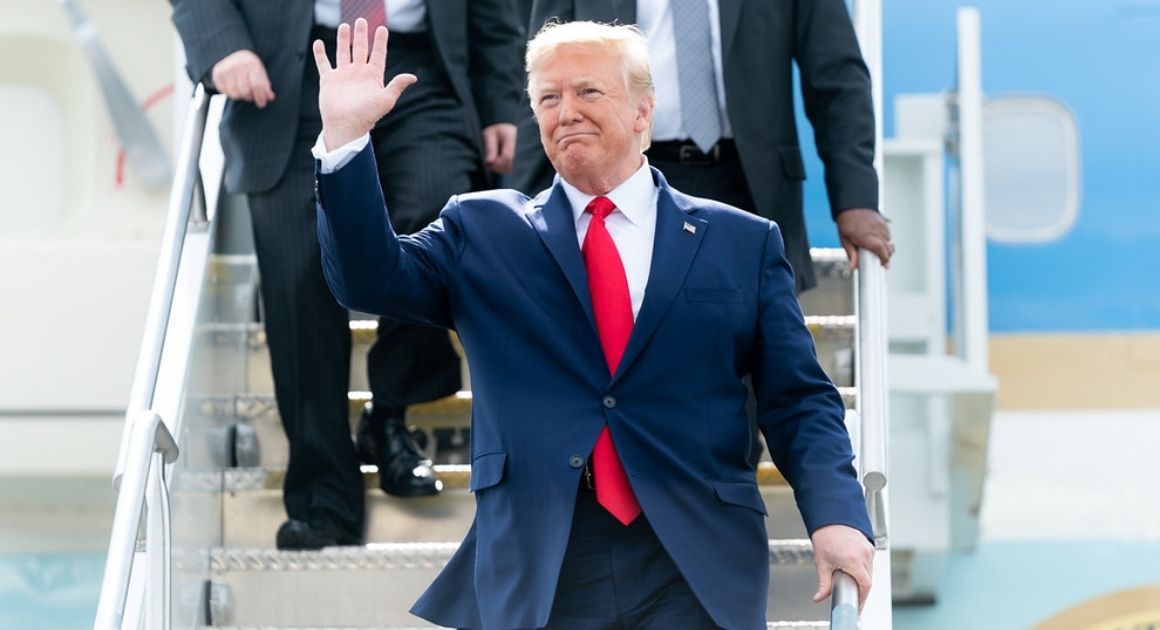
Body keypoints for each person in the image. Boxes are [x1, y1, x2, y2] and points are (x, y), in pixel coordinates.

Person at [314, 19, 874, 629]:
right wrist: (345, 140)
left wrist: (836, 515)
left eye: (588, 92)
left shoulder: (741, 241)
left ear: (643, 112)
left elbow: (798, 401)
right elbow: (369, 278)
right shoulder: (484, 231)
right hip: (542, 559)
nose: (566, 112)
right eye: (548, 98)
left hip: (694, 560)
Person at [169, 0, 525, 550]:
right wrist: (222, 45)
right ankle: (323, 498)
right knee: (300, 283)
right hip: (289, 68)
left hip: (418, 68)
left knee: (440, 220)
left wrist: (502, 101)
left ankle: (389, 416)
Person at [513, 0, 894, 287]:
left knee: (747, 367)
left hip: (748, 185)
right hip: (623, 181)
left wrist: (855, 199)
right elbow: (545, 74)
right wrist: (529, 212)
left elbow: (836, 78)